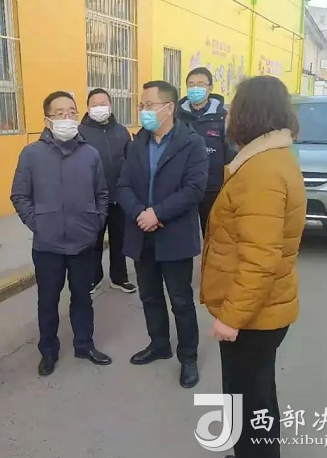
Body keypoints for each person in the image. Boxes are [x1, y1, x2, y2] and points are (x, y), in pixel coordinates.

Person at [200, 76, 305, 458]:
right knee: (253, 394)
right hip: (260, 310)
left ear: (250, 112)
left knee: (249, 402)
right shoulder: (268, 159)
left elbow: (260, 258)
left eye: (234, 105)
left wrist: (231, 318)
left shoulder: (262, 171)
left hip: (252, 316)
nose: (227, 113)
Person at [11, 91, 112, 376]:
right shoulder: (32, 154)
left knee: (82, 297)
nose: (67, 118)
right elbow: (20, 195)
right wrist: (38, 224)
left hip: (83, 242)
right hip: (48, 245)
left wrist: (95, 223)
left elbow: (102, 194)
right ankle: (48, 351)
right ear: (47, 120)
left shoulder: (90, 154)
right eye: (59, 113)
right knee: (48, 301)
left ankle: (84, 344)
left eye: (71, 112)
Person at [118, 81, 208, 389]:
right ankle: (159, 344)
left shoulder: (191, 143)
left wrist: (158, 213)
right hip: (142, 233)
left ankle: (188, 357)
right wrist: (141, 214)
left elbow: (194, 189)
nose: (143, 111)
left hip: (175, 235)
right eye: (141, 105)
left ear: (169, 108)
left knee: (181, 301)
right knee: (150, 296)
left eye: (149, 105)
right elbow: (123, 185)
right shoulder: (137, 142)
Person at [78, 88, 137, 295]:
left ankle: (119, 278)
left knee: (119, 240)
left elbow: (130, 161)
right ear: (87, 108)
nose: (99, 108)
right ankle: (93, 278)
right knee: (93, 241)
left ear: (110, 106)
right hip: (92, 199)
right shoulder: (79, 133)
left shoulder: (121, 132)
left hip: (119, 196)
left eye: (103, 103)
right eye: (94, 104)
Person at [176, 67, 235, 233]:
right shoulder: (176, 116)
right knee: (182, 234)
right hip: (182, 186)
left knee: (212, 232)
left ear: (210, 88)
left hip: (212, 188)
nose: (195, 88)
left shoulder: (222, 117)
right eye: (191, 85)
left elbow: (230, 153)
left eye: (200, 84)